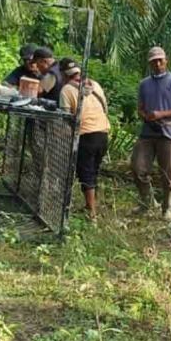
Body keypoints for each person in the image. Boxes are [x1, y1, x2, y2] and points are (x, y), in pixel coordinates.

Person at [130, 46, 171, 220]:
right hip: (148, 132)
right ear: (149, 63)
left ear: (166, 60)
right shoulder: (144, 84)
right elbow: (139, 108)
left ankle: (167, 208)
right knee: (137, 166)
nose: (157, 63)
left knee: (169, 172)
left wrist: (161, 114)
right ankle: (148, 202)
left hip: (169, 132)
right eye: (153, 61)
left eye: (160, 60)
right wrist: (146, 116)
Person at [59, 58, 110, 222]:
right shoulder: (95, 85)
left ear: (63, 74)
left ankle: (92, 214)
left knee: (85, 173)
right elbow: (105, 108)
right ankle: (90, 205)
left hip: (86, 135)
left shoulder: (66, 90)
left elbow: (65, 117)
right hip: (103, 133)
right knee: (93, 170)